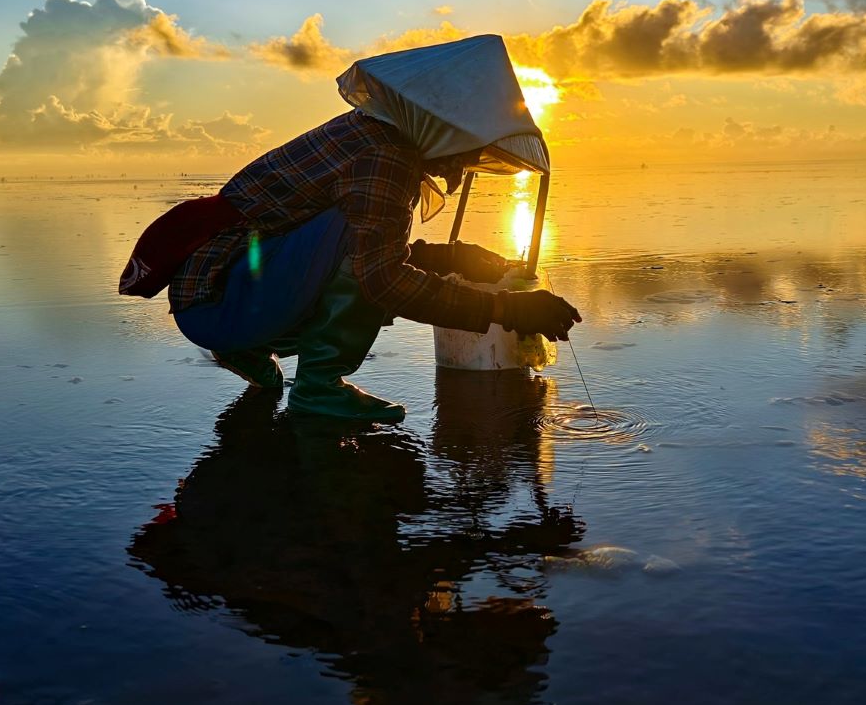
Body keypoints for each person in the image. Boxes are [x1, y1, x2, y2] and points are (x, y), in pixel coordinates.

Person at [120, 34, 582, 423]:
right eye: (465, 152)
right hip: (224, 302)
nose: (460, 168)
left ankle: (251, 350)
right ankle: (318, 387)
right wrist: (510, 309)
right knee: (379, 277)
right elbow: (379, 276)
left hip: (207, 296)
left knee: (373, 260)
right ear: (442, 129)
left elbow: (335, 242)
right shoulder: (383, 157)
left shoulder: (367, 133)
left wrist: (445, 258)